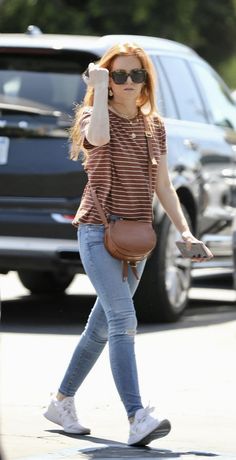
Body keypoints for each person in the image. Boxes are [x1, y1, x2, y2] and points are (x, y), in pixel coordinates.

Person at [43, 42, 213, 446]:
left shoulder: (154, 125)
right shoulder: (92, 116)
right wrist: (98, 92)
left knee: (100, 328)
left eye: (136, 74)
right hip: (98, 232)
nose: (129, 82)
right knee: (123, 321)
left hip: (137, 238)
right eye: (119, 75)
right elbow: (99, 137)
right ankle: (137, 416)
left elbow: (164, 185)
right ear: (106, 79)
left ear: (146, 80)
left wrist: (185, 231)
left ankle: (61, 400)